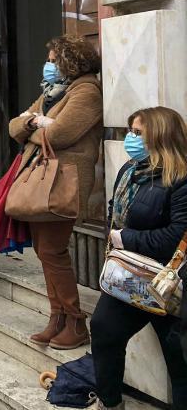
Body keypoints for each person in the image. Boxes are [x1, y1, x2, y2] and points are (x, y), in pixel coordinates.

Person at [7, 35, 103, 349]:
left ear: (69, 61)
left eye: (52, 60)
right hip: (42, 180)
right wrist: (38, 122)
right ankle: (57, 317)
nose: (47, 66)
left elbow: (60, 135)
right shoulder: (52, 92)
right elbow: (13, 126)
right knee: (45, 252)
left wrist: (32, 126)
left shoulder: (86, 91)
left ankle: (75, 322)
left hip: (63, 182)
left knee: (52, 251)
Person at [90, 107, 187, 409]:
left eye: (137, 133)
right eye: (129, 131)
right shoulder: (130, 170)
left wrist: (125, 238)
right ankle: (109, 402)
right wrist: (114, 235)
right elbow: (114, 210)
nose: (130, 139)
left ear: (159, 135)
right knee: (104, 329)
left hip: (171, 281)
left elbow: (176, 236)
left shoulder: (181, 178)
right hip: (130, 275)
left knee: (179, 358)